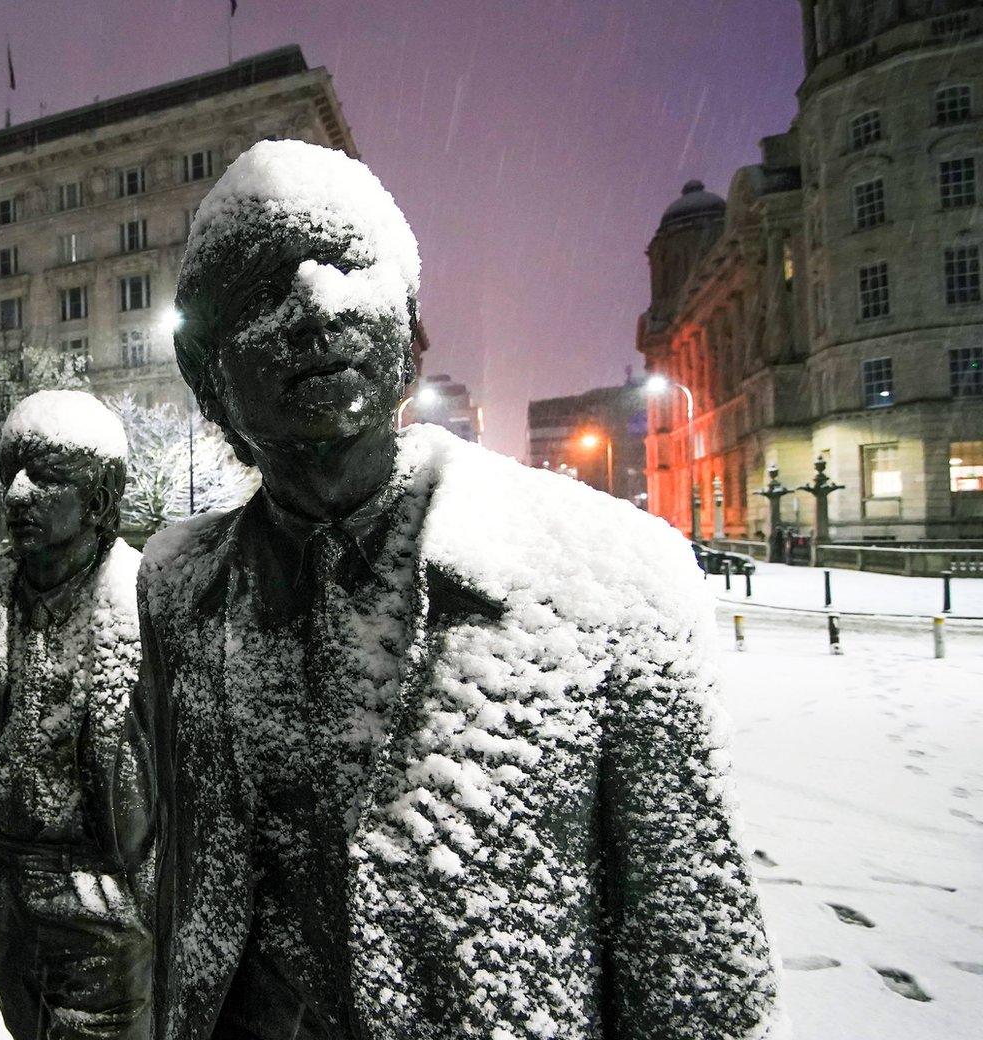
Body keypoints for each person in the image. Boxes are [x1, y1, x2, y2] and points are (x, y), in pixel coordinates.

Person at [140, 140, 784, 1040]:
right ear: (208, 381)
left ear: (412, 334)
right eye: (263, 291)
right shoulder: (175, 590)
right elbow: (180, 874)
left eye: (349, 268)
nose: (317, 307)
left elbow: (702, 988)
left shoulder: (620, 581)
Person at [0, 390, 157, 1040]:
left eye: (42, 477)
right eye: (10, 474)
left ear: (98, 501)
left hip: (105, 913)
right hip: (7, 897)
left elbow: (188, 789)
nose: (17, 495)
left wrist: (134, 906)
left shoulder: (148, 606)